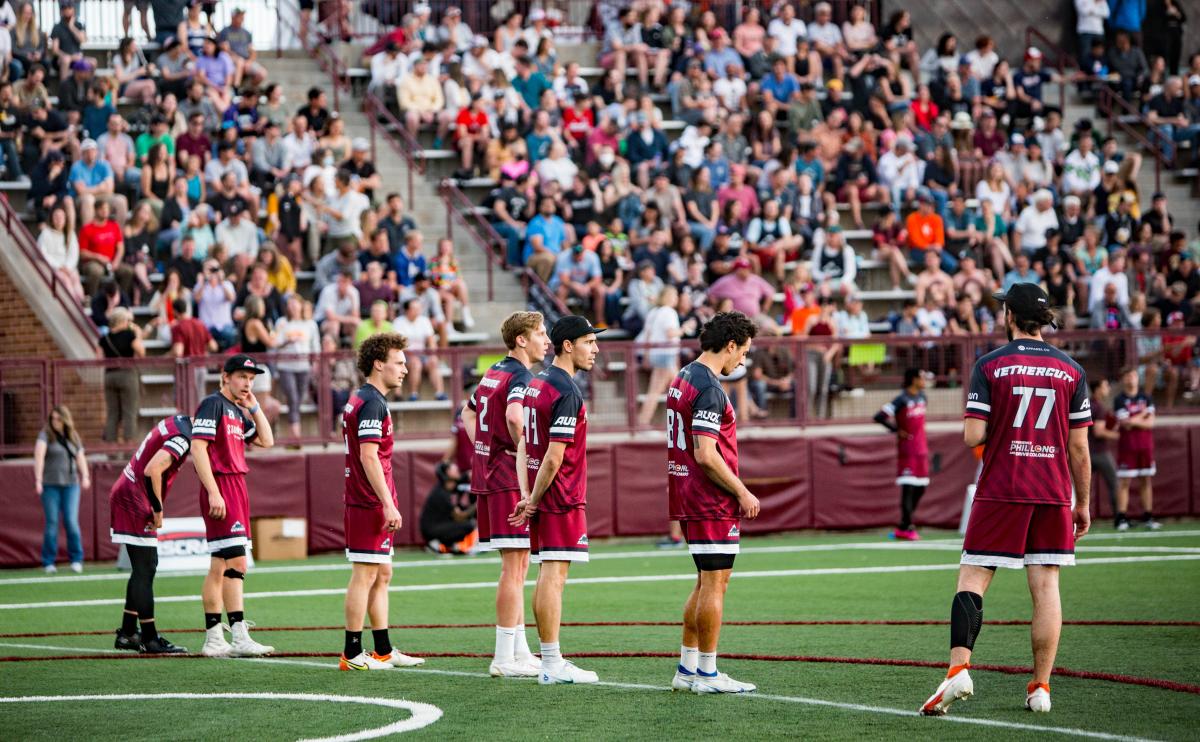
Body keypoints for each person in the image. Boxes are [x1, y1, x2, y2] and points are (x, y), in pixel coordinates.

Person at [921, 283, 1091, 717]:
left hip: (1002, 487)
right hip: (1053, 491)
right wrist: (1083, 503)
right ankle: (1041, 688)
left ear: (1009, 316)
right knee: (1046, 587)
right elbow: (1079, 448)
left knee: (973, 578)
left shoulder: (991, 364)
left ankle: (958, 670)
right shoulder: (1072, 369)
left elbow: (972, 435)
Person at [666, 311, 761, 695]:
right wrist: (741, 490)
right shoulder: (708, 387)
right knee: (716, 584)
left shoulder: (684, 376)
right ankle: (707, 673)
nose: (743, 360)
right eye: (744, 352)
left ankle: (688, 668)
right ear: (730, 344)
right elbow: (705, 453)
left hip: (688, 493)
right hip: (709, 499)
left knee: (706, 581)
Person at [510, 315, 602, 685]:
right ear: (568, 345)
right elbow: (552, 456)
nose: (595, 349)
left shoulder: (537, 383)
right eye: (588, 342)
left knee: (547, 572)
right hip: (560, 495)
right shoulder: (566, 390)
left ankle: (549, 660)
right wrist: (532, 498)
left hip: (543, 492)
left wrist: (526, 492)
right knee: (554, 575)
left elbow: (523, 444)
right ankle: (550, 663)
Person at [462, 311, 549, 676]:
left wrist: (485, 449)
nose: (546, 340)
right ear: (521, 340)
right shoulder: (520, 375)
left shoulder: (493, 371)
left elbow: (467, 414)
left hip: (492, 473)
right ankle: (503, 657)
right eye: (540, 333)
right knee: (514, 567)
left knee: (520, 564)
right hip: (507, 478)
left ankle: (519, 650)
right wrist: (520, 452)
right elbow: (515, 417)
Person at [337, 333, 426, 670]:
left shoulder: (363, 398)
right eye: (398, 362)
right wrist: (387, 503)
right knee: (365, 574)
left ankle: (383, 649)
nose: (405, 369)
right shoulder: (371, 402)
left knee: (382, 573)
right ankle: (351, 653)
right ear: (378, 364)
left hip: (369, 498)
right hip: (369, 501)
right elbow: (369, 456)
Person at [192, 354, 275, 658]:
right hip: (222, 485)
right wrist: (214, 491)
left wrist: (254, 407)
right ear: (225, 377)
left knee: (221, 565)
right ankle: (237, 635)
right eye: (241, 377)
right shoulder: (212, 404)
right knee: (236, 563)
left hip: (236, 486)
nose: (247, 383)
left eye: (251, 379)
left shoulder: (237, 412)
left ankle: (216, 638)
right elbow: (197, 447)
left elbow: (267, 440)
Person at [110, 415, 194, 655]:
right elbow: (152, 469)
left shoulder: (178, 421)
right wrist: (157, 508)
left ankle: (128, 632)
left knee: (144, 567)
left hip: (129, 490)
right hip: (135, 497)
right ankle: (150, 638)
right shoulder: (184, 437)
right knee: (146, 568)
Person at [874, 369, 931, 541]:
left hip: (922, 449)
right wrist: (896, 430)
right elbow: (879, 416)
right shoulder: (901, 399)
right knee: (908, 488)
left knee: (921, 487)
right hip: (907, 450)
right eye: (922, 377)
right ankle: (908, 527)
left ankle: (903, 525)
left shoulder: (923, 397)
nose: (924, 380)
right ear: (913, 379)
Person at [33, 407, 90, 575]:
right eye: (53, 418)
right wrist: (38, 480)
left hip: (71, 485)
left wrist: (85, 476)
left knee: (71, 522)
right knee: (52, 523)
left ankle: (76, 559)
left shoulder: (73, 435)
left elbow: (80, 457)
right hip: (50, 485)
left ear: (65, 419)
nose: (55, 422)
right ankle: (48, 561)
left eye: (58, 419)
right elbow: (39, 457)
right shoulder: (45, 435)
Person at [1113, 367, 1160, 531]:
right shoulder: (1119, 399)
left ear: (1137, 378)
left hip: (1145, 446)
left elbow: (1150, 423)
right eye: (1127, 376)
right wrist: (1142, 415)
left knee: (1146, 480)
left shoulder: (1146, 397)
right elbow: (1125, 424)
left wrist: (1132, 419)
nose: (1130, 378)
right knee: (1124, 482)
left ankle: (1148, 516)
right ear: (1123, 379)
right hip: (1128, 447)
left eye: (1133, 375)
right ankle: (1121, 518)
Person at [101, 307, 145, 444]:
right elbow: (141, 352)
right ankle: (129, 448)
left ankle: (111, 448)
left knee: (112, 413)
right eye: (127, 320)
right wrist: (138, 335)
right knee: (129, 412)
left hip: (109, 376)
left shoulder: (104, 338)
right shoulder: (129, 335)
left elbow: (99, 358)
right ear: (122, 320)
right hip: (127, 374)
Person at [419, 461, 477, 554]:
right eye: (454, 469)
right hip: (432, 529)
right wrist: (477, 505)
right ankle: (438, 543)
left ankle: (447, 544)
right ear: (448, 473)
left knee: (465, 515)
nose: (458, 470)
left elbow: (467, 475)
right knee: (470, 524)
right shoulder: (441, 494)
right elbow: (459, 517)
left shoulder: (450, 484)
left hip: (441, 523)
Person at [1087, 378, 1121, 526]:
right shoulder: (1098, 407)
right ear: (1098, 389)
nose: (1108, 388)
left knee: (1083, 489)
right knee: (1114, 484)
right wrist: (1117, 435)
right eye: (1105, 386)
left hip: (1085, 453)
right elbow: (1099, 432)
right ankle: (1119, 519)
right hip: (1099, 453)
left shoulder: (1087, 404)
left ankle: (1080, 520)